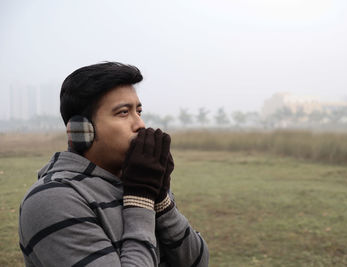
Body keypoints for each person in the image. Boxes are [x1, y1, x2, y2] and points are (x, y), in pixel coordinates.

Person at [18, 62, 209, 266]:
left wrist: (161, 199)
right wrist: (141, 199)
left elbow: (197, 262)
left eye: (139, 111)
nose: (140, 124)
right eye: (123, 112)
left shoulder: (139, 180)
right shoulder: (52, 199)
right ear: (81, 130)